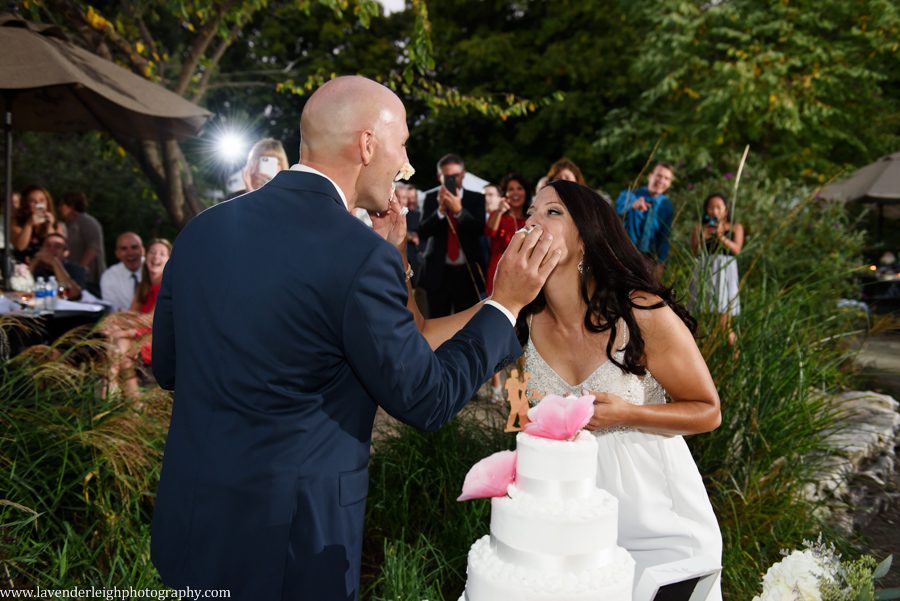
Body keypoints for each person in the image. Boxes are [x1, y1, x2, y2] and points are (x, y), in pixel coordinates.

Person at [150, 75, 559, 601]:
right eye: (403, 142)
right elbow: (427, 399)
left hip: (194, 523)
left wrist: (391, 260)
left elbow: (168, 366)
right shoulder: (355, 254)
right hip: (291, 547)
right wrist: (505, 305)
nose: (407, 163)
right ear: (367, 144)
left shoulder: (203, 230)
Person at [427, 180, 723, 599]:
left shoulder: (638, 312)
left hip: (658, 520)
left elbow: (708, 410)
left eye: (552, 212)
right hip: (565, 530)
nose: (532, 222)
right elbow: (421, 335)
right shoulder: (516, 316)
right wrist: (393, 253)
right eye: (530, 212)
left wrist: (628, 414)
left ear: (584, 238)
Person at [418, 154, 487, 317]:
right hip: (438, 272)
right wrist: (440, 211)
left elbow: (479, 230)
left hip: (467, 272)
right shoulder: (431, 198)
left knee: (467, 321)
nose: (452, 180)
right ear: (439, 176)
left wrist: (459, 212)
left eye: (455, 175)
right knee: (436, 320)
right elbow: (423, 231)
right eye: (447, 176)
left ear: (463, 175)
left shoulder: (476, 198)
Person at [103, 238, 171, 398]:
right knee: (120, 343)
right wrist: (115, 323)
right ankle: (134, 405)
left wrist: (122, 330)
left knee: (120, 342)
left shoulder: (168, 285)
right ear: (145, 256)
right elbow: (131, 314)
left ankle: (109, 387)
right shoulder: (145, 285)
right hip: (141, 333)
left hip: (158, 336)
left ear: (169, 260)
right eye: (152, 252)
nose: (156, 257)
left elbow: (151, 320)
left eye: (162, 254)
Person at [690, 193, 744, 346]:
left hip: (725, 275)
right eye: (710, 207)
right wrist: (704, 236)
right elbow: (694, 252)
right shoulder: (699, 228)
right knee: (699, 322)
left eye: (718, 207)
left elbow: (737, 250)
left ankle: (735, 359)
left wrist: (721, 236)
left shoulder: (735, 227)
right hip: (704, 273)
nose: (714, 211)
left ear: (726, 210)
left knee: (724, 325)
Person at [615, 162, 675, 280]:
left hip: (648, 258)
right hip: (623, 253)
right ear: (650, 176)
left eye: (666, 178)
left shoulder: (666, 206)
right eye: (659, 175)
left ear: (669, 183)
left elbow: (664, 237)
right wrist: (632, 205)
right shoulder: (631, 194)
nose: (662, 180)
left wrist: (660, 263)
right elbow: (617, 209)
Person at [58, 192, 106, 296]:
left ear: (71, 206)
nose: (60, 208)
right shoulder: (68, 224)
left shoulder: (87, 222)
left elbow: (93, 248)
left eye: (62, 205)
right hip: (72, 274)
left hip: (89, 278)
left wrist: (79, 269)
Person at [11, 185, 66, 262]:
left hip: (46, 267)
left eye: (42, 200)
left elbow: (54, 247)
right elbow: (20, 247)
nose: (38, 204)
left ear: (47, 202)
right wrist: (29, 224)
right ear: (26, 204)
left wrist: (49, 226)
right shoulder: (17, 222)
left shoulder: (57, 224)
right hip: (23, 267)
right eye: (33, 201)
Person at [29, 232, 85, 300]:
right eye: (48, 245)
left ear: (65, 253)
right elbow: (21, 290)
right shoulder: (36, 267)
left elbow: (72, 295)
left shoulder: (76, 269)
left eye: (57, 246)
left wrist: (54, 263)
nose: (51, 249)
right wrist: (34, 262)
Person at [100, 232, 145, 312]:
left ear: (142, 250)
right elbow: (113, 311)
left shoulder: (154, 268)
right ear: (117, 254)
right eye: (124, 249)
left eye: (134, 247)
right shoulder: (109, 276)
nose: (130, 253)